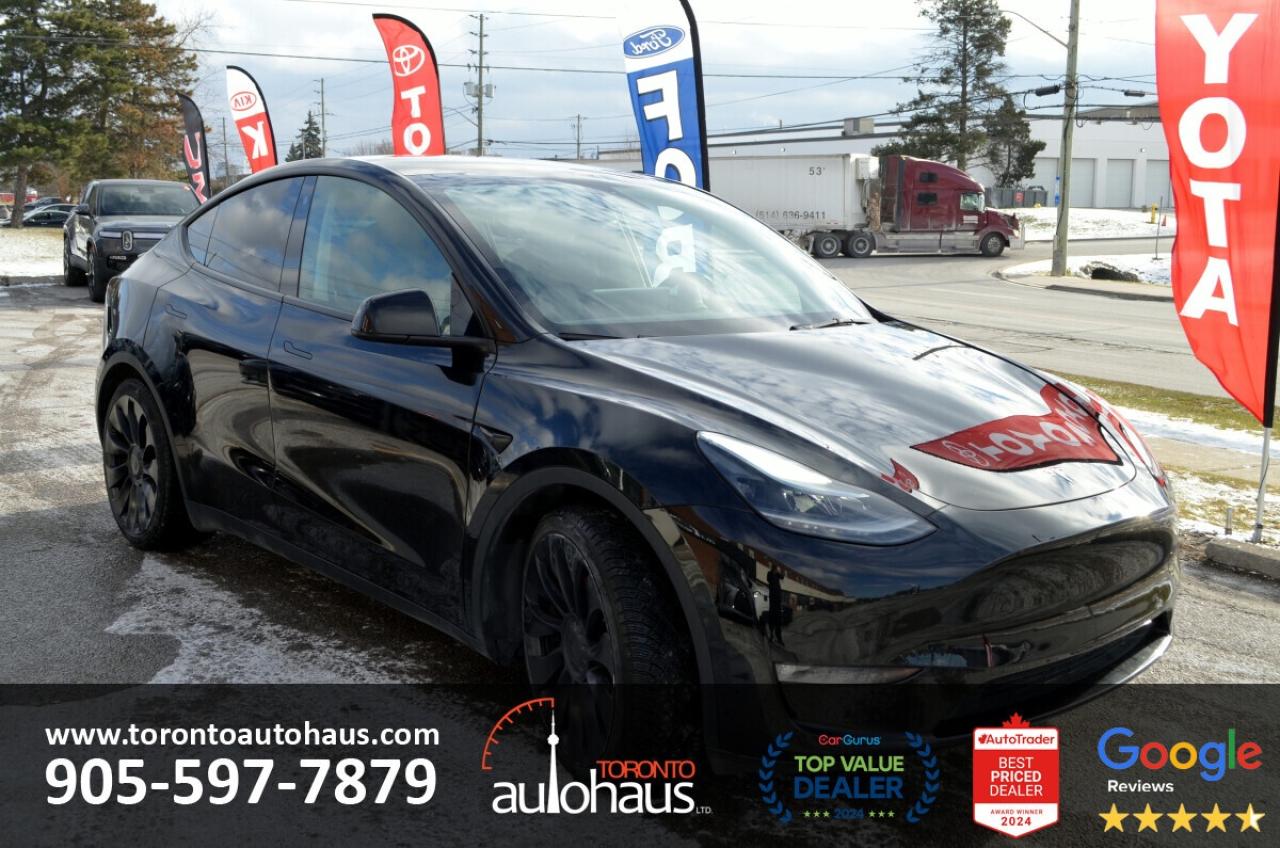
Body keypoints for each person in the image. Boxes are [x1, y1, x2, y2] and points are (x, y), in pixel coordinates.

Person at [767, 563, 785, 645]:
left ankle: (779, 638)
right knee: (772, 616)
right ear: (774, 569)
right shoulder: (770, 574)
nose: (777, 571)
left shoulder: (777, 575)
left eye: (777, 570)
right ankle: (771, 635)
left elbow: (782, 577)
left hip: (778, 599)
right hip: (773, 599)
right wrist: (774, 572)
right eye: (776, 569)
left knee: (778, 618)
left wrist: (782, 572)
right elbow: (768, 579)